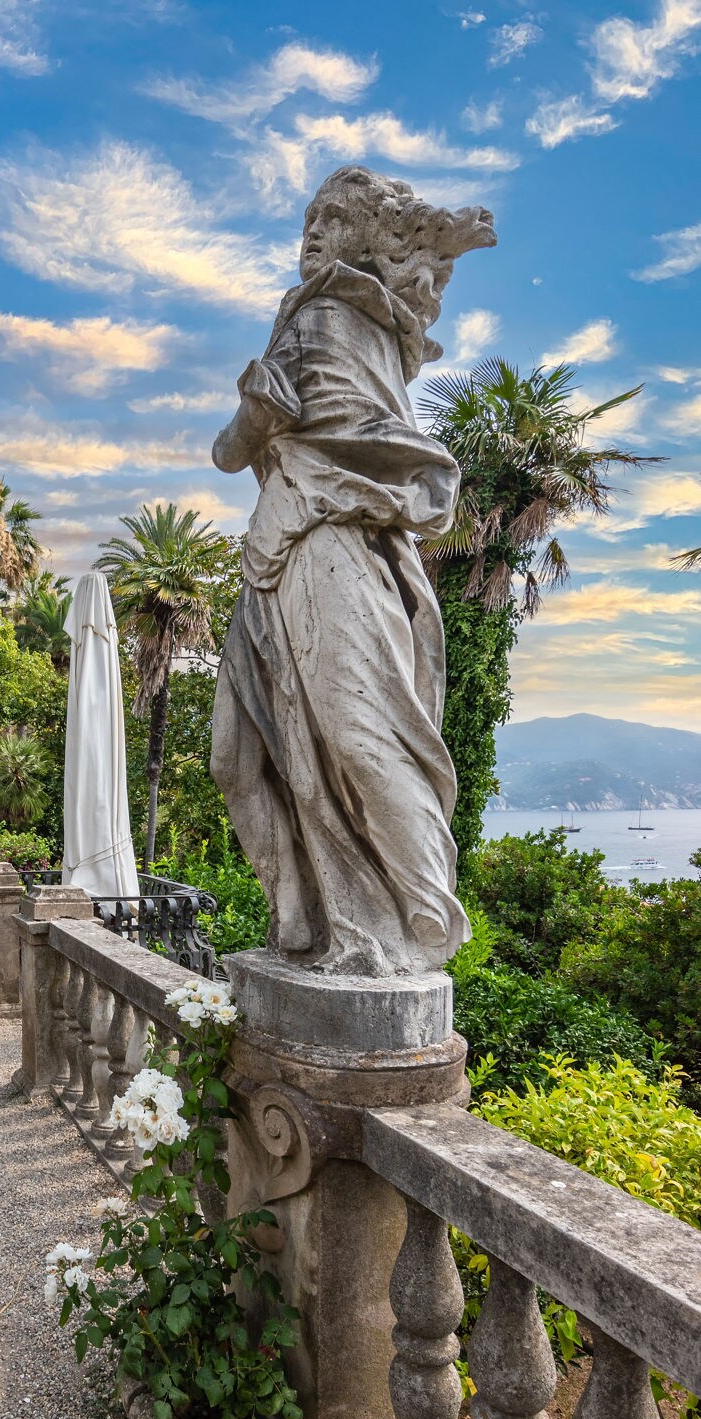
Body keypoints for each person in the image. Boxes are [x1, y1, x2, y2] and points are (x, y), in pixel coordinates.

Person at [210, 166, 495, 977]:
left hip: (333, 544)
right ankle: (301, 917)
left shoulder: (346, 321)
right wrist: (258, 419)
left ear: (365, 236)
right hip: (275, 551)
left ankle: (411, 923)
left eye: (331, 218)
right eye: (309, 217)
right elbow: (231, 451)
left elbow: (379, 450)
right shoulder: (303, 323)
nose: (313, 230)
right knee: (237, 756)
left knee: (361, 738)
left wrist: (262, 429)